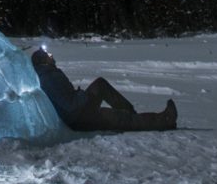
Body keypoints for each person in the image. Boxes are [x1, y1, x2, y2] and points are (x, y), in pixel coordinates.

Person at [32, 46, 177, 132]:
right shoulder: (48, 78)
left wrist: (80, 96)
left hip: (79, 110)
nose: (51, 56)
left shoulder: (50, 73)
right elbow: (68, 105)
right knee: (117, 118)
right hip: (77, 118)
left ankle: (131, 113)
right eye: (48, 55)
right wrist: (81, 95)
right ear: (43, 61)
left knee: (100, 84)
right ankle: (164, 120)